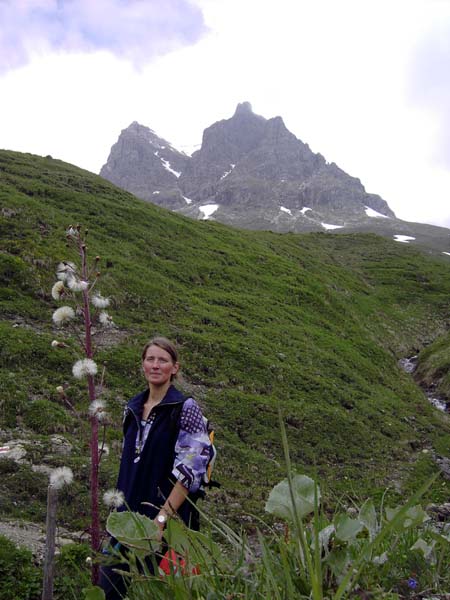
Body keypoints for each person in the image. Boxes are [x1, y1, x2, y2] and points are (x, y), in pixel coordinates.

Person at [100, 336, 211, 599]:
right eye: (150, 359)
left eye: (163, 360)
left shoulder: (185, 409)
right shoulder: (132, 408)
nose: (156, 365)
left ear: (175, 368)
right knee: (109, 590)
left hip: (167, 527)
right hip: (127, 523)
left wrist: (161, 519)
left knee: (160, 593)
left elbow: (191, 471)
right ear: (142, 365)